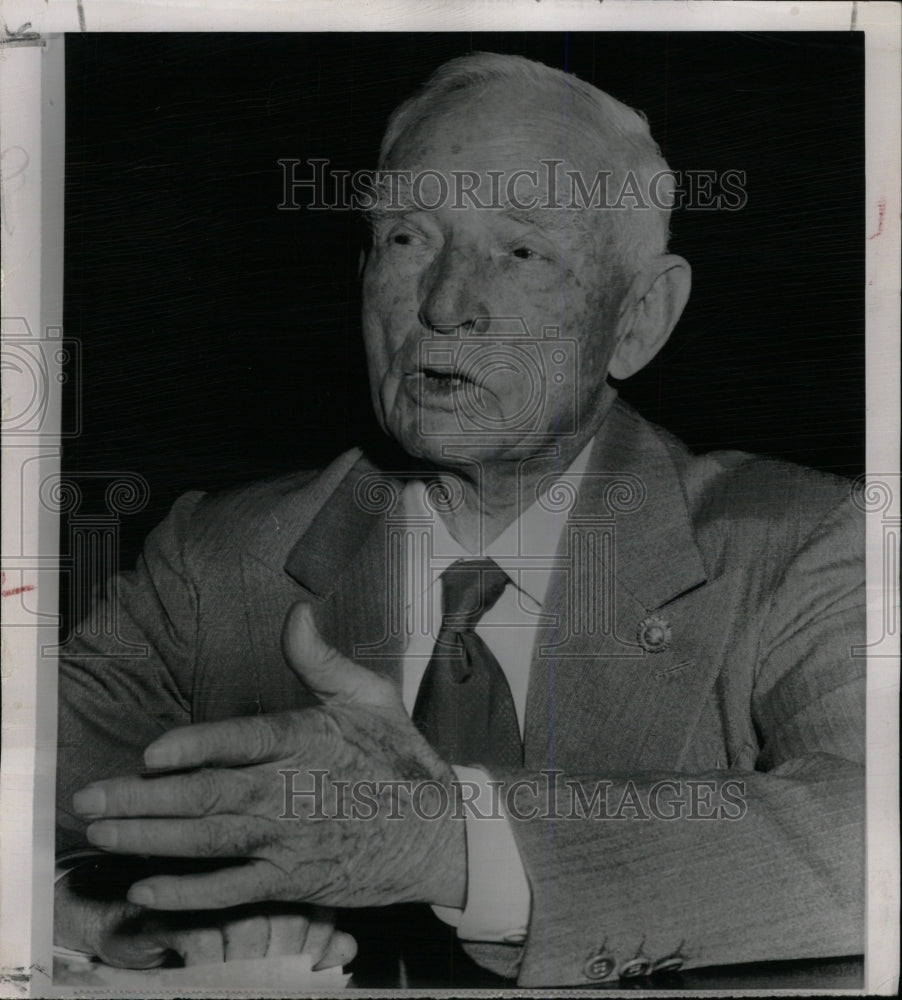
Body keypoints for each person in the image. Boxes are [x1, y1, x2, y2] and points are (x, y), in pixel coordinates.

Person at [55, 52, 865, 987]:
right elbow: (22, 788)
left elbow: (873, 837)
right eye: (407, 239)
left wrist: (449, 843)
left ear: (640, 317)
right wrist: (108, 910)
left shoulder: (805, 546)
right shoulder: (220, 558)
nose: (444, 305)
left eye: (519, 252)